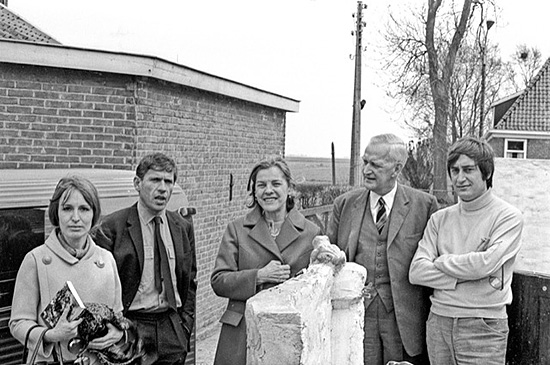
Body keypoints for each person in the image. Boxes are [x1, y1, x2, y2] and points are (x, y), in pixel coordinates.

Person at [409, 136, 523, 365]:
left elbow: (485, 264)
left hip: (483, 326)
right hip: (439, 322)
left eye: (468, 170)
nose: (460, 178)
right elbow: (417, 272)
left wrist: (441, 261)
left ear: (487, 172)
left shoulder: (508, 217)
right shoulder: (439, 219)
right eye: (454, 170)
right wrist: (470, 274)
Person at [327, 133, 438, 365]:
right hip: (357, 316)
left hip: (404, 322)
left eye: (375, 165)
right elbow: (330, 258)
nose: (366, 169)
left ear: (396, 169)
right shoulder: (344, 205)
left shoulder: (424, 206)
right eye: (365, 162)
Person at [211, 156, 321, 365]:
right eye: (261, 185)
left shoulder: (311, 232)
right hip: (241, 333)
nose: (268, 190)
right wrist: (258, 276)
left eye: (276, 184)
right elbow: (219, 280)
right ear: (254, 191)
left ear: (290, 189)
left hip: (288, 334)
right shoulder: (237, 229)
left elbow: (315, 286)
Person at [93, 152, 197, 365]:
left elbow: (190, 281)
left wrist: (184, 326)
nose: (162, 188)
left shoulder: (182, 227)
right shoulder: (112, 227)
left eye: (168, 181)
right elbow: (100, 289)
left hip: (172, 330)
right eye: (155, 180)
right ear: (137, 184)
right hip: (132, 328)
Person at [10, 175, 126, 364]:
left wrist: (117, 332)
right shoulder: (36, 260)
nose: (75, 218)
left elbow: (117, 315)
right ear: (56, 213)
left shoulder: (106, 259)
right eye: (67, 208)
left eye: (84, 209)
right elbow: (18, 323)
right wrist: (51, 334)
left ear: (94, 214)